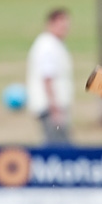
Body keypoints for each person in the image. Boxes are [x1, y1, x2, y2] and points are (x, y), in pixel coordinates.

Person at [26, 8, 74, 145]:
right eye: (62, 26)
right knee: (59, 147)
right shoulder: (48, 46)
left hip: (53, 107)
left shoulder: (53, 44)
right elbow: (47, 78)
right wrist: (55, 109)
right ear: (51, 24)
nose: (65, 30)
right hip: (51, 109)